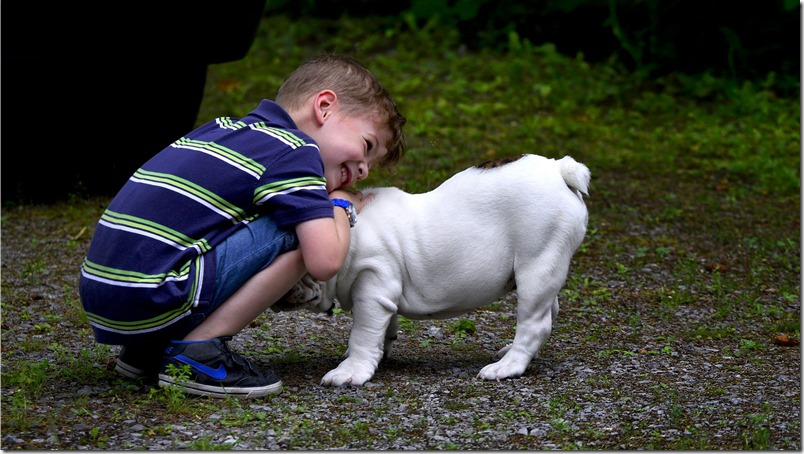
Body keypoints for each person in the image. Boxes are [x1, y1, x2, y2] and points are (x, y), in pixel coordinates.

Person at [78, 54, 407, 399]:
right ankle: (198, 353)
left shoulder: (220, 130)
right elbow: (324, 262)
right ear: (324, 107)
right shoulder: (296, 152)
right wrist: (339, 205)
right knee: (300, 225)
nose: (365, 171)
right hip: (155, 294)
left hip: (106, 296)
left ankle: (148, 350)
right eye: (367, 146)